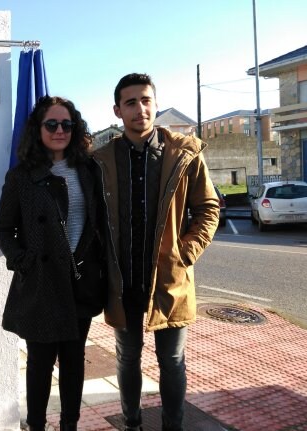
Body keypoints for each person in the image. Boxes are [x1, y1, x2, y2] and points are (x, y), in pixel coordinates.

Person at [93, 73, 220, 431]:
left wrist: (186, 253)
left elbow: (208, 208)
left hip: (169, 278)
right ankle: (131, 424)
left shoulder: (184, 153)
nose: (140, 108)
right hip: (123, 280)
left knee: (173, 360)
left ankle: (172, 427)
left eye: (146, 100)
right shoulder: (100, 159)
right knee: (128, 358)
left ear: (156, 105)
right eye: (131, 102)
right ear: (118, 110)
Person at [0, 96, 106, 431]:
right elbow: (3, 229)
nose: (60, 130)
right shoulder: (22, 177)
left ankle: (70, 425)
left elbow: (98, 222)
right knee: (40, 364)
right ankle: (38, 425)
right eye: (52, 124)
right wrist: (23, 261)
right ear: (38, 129)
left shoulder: (89, 170)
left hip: (80, 281)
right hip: (42, 282)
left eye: (67, 124)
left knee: (74, 362)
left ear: (76, 128)